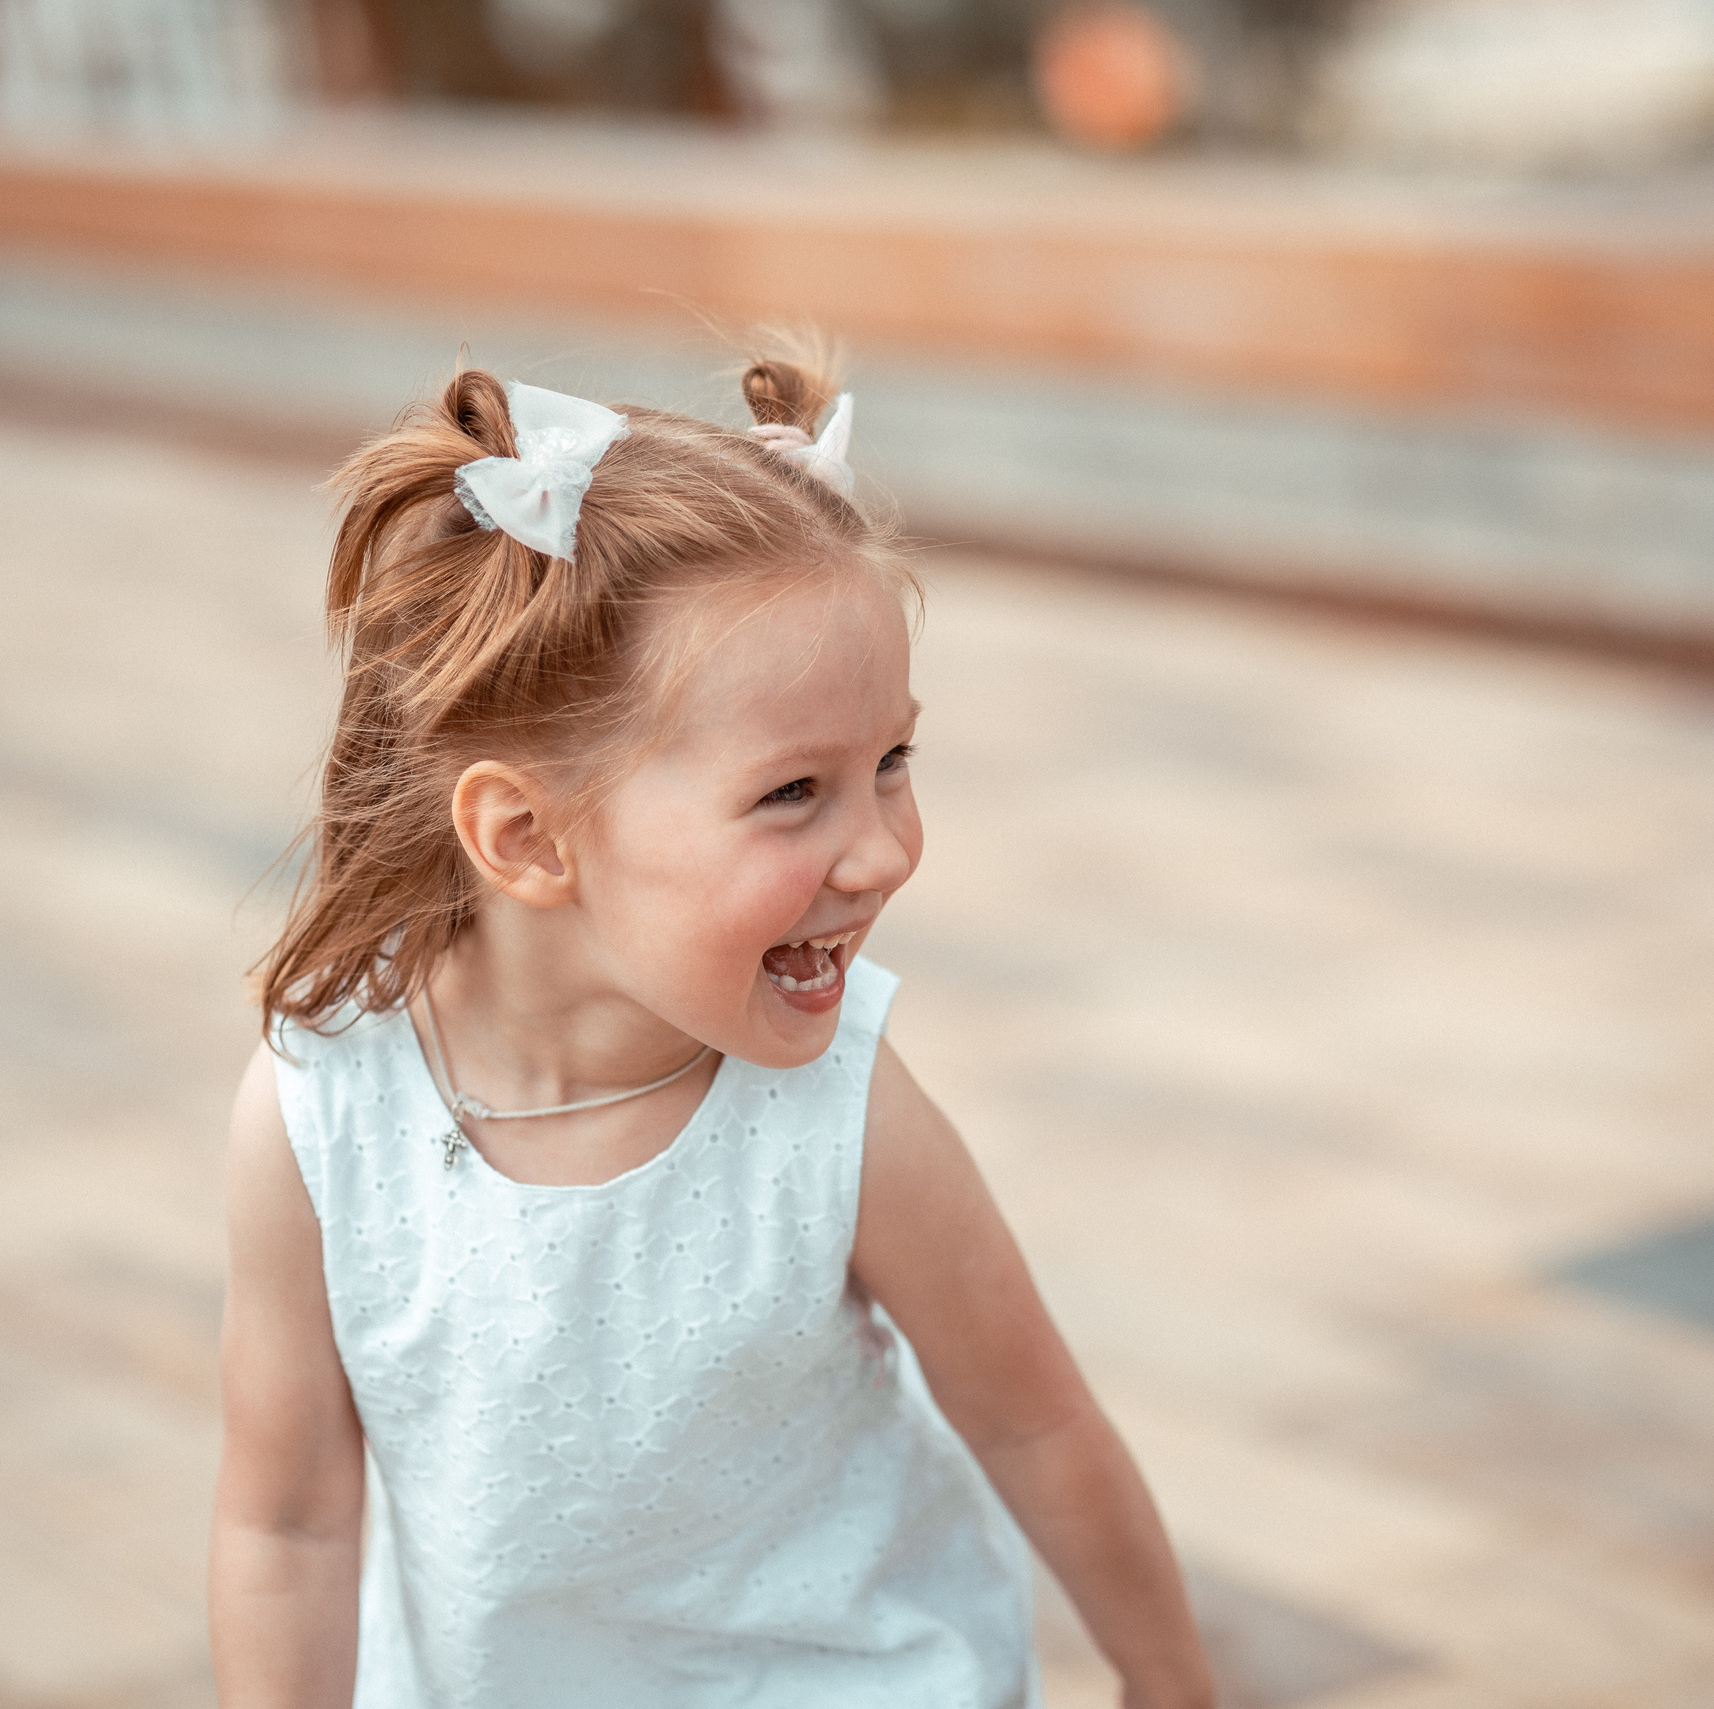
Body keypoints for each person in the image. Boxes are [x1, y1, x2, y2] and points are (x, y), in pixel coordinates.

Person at [209, 341, 1215, 1709]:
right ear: (529, 837)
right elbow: (290, 1523)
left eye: (892, 764)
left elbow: (1033, 1421)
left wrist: (1167, 1676)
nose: (882, 852)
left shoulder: (841, 1107)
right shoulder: (322, 1120)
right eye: (796, 791)